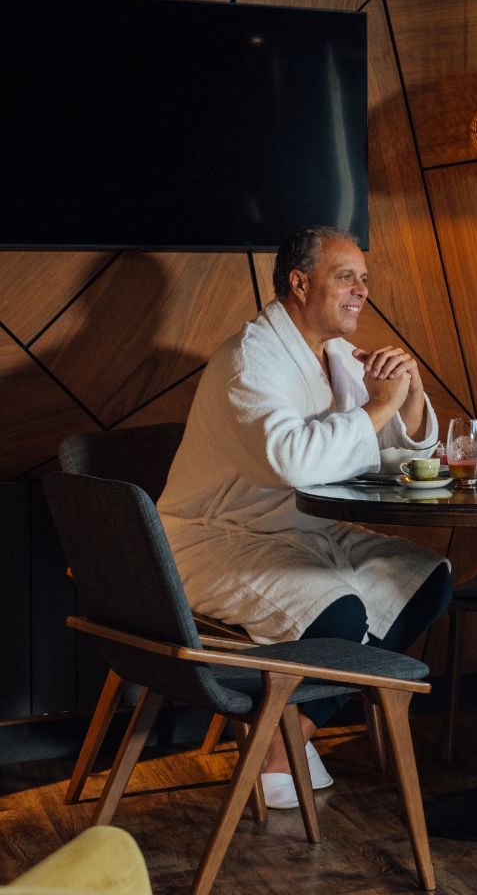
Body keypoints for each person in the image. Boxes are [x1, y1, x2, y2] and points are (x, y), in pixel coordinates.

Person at [158, 226, 452, 808]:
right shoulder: (249, 359)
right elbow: (291, 460)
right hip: (216, 537)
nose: (361, 290)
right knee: (340, 613)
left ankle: (291, 732)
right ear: (299, 282)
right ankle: (280, 747)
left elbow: (398, 449)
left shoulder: (340, 356)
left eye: (365, 279)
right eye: (347, 276)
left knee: (424, 576)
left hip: (303, 530)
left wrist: (409, 391)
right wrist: (377, 404)